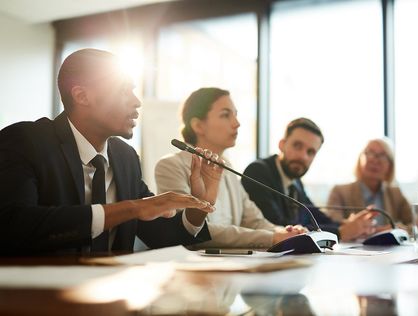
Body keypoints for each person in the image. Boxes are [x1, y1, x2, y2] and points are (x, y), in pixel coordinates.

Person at [0, 48, 217, 255]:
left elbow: (162, 237)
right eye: (123, 91)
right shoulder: (25, 141)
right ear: (82, 96)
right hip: (39, 290)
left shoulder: (126, 158)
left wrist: (197, 206)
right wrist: (131, 208)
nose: (137, 101)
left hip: (113, 290)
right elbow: (13, 225)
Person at [154, 87, 305, 249]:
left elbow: (253, 220)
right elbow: (195, 231)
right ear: (198, 125)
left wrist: (288, 233)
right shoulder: (170, 166)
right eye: (226, 115)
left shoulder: (226, 166)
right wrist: (272, 237)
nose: (237, 123)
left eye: (235, 115)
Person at [242, 118, 376, 242]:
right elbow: (280, 226)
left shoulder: (295, 182)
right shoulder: (258, 172)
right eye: (297, 146)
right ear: (282, 144)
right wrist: (340, 232)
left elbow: (314, 215)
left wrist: (351, 225)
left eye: (310, 152)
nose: (303, 156)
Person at [326, 138, 411, 229]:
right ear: (360, 159)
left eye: (382, 155)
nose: (374, 160)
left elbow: (414, 225)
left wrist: (399, 229)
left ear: (390, 165)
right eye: (369, 153)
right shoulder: (340, 192)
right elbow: (333, 225)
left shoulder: (396, 194)